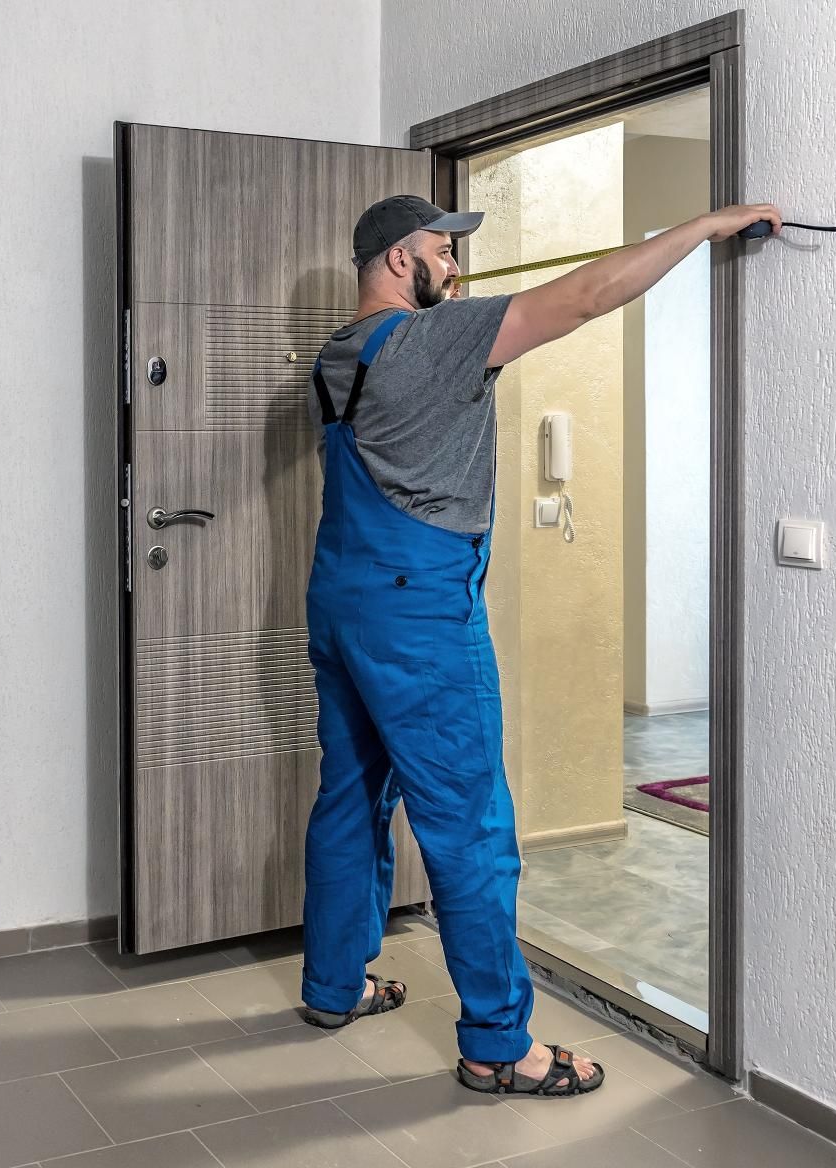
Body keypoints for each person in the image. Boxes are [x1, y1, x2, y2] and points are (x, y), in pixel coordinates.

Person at [299, 194, 781, 1096]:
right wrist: (704, 227)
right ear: (401, 260)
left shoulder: (337, 354)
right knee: (471, 824)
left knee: (350, 796)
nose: (458, 266)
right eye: (445, 250)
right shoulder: (427, 342)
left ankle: (333, 985)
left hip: (341, 598)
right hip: (419, 612)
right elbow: (589, 296)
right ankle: (497, 1043)